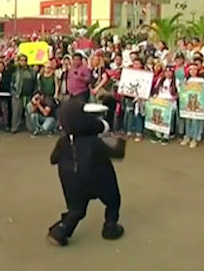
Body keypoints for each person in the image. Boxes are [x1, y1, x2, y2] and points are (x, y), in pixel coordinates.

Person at [47, 99, 125, 246]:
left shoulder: (63, 142)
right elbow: (117, 154)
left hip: (71, 180)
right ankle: (110, 227)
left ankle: (61, 231)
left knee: (76, 209)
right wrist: (120, 141)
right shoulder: (94, 142)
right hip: (97, 177)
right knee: (113, 200)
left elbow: (53, 159)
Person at [10, 54, 37, 133]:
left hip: (29, 95)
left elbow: (35, 83)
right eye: (21, 60)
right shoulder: (15, 71)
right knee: (16, 112)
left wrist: (35, 94)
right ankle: (14, 128)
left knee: (29, 112)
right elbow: (12, 83)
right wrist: (13, 93)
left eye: (25, 60)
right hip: (17, 94)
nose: (23, 62)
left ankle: (31, 128)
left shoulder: (32, 71)